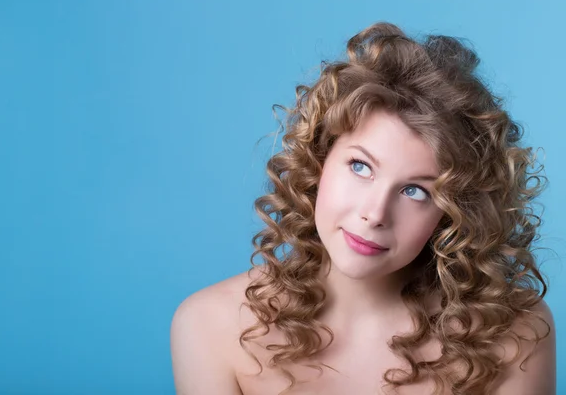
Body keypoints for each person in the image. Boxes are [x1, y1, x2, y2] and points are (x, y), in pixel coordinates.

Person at [170, 21, 556, 395]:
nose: (375, 214)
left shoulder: (511, 337)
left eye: (415, 191)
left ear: (452, 211)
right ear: (319, 159)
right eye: (361, 167)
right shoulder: (210, 327)